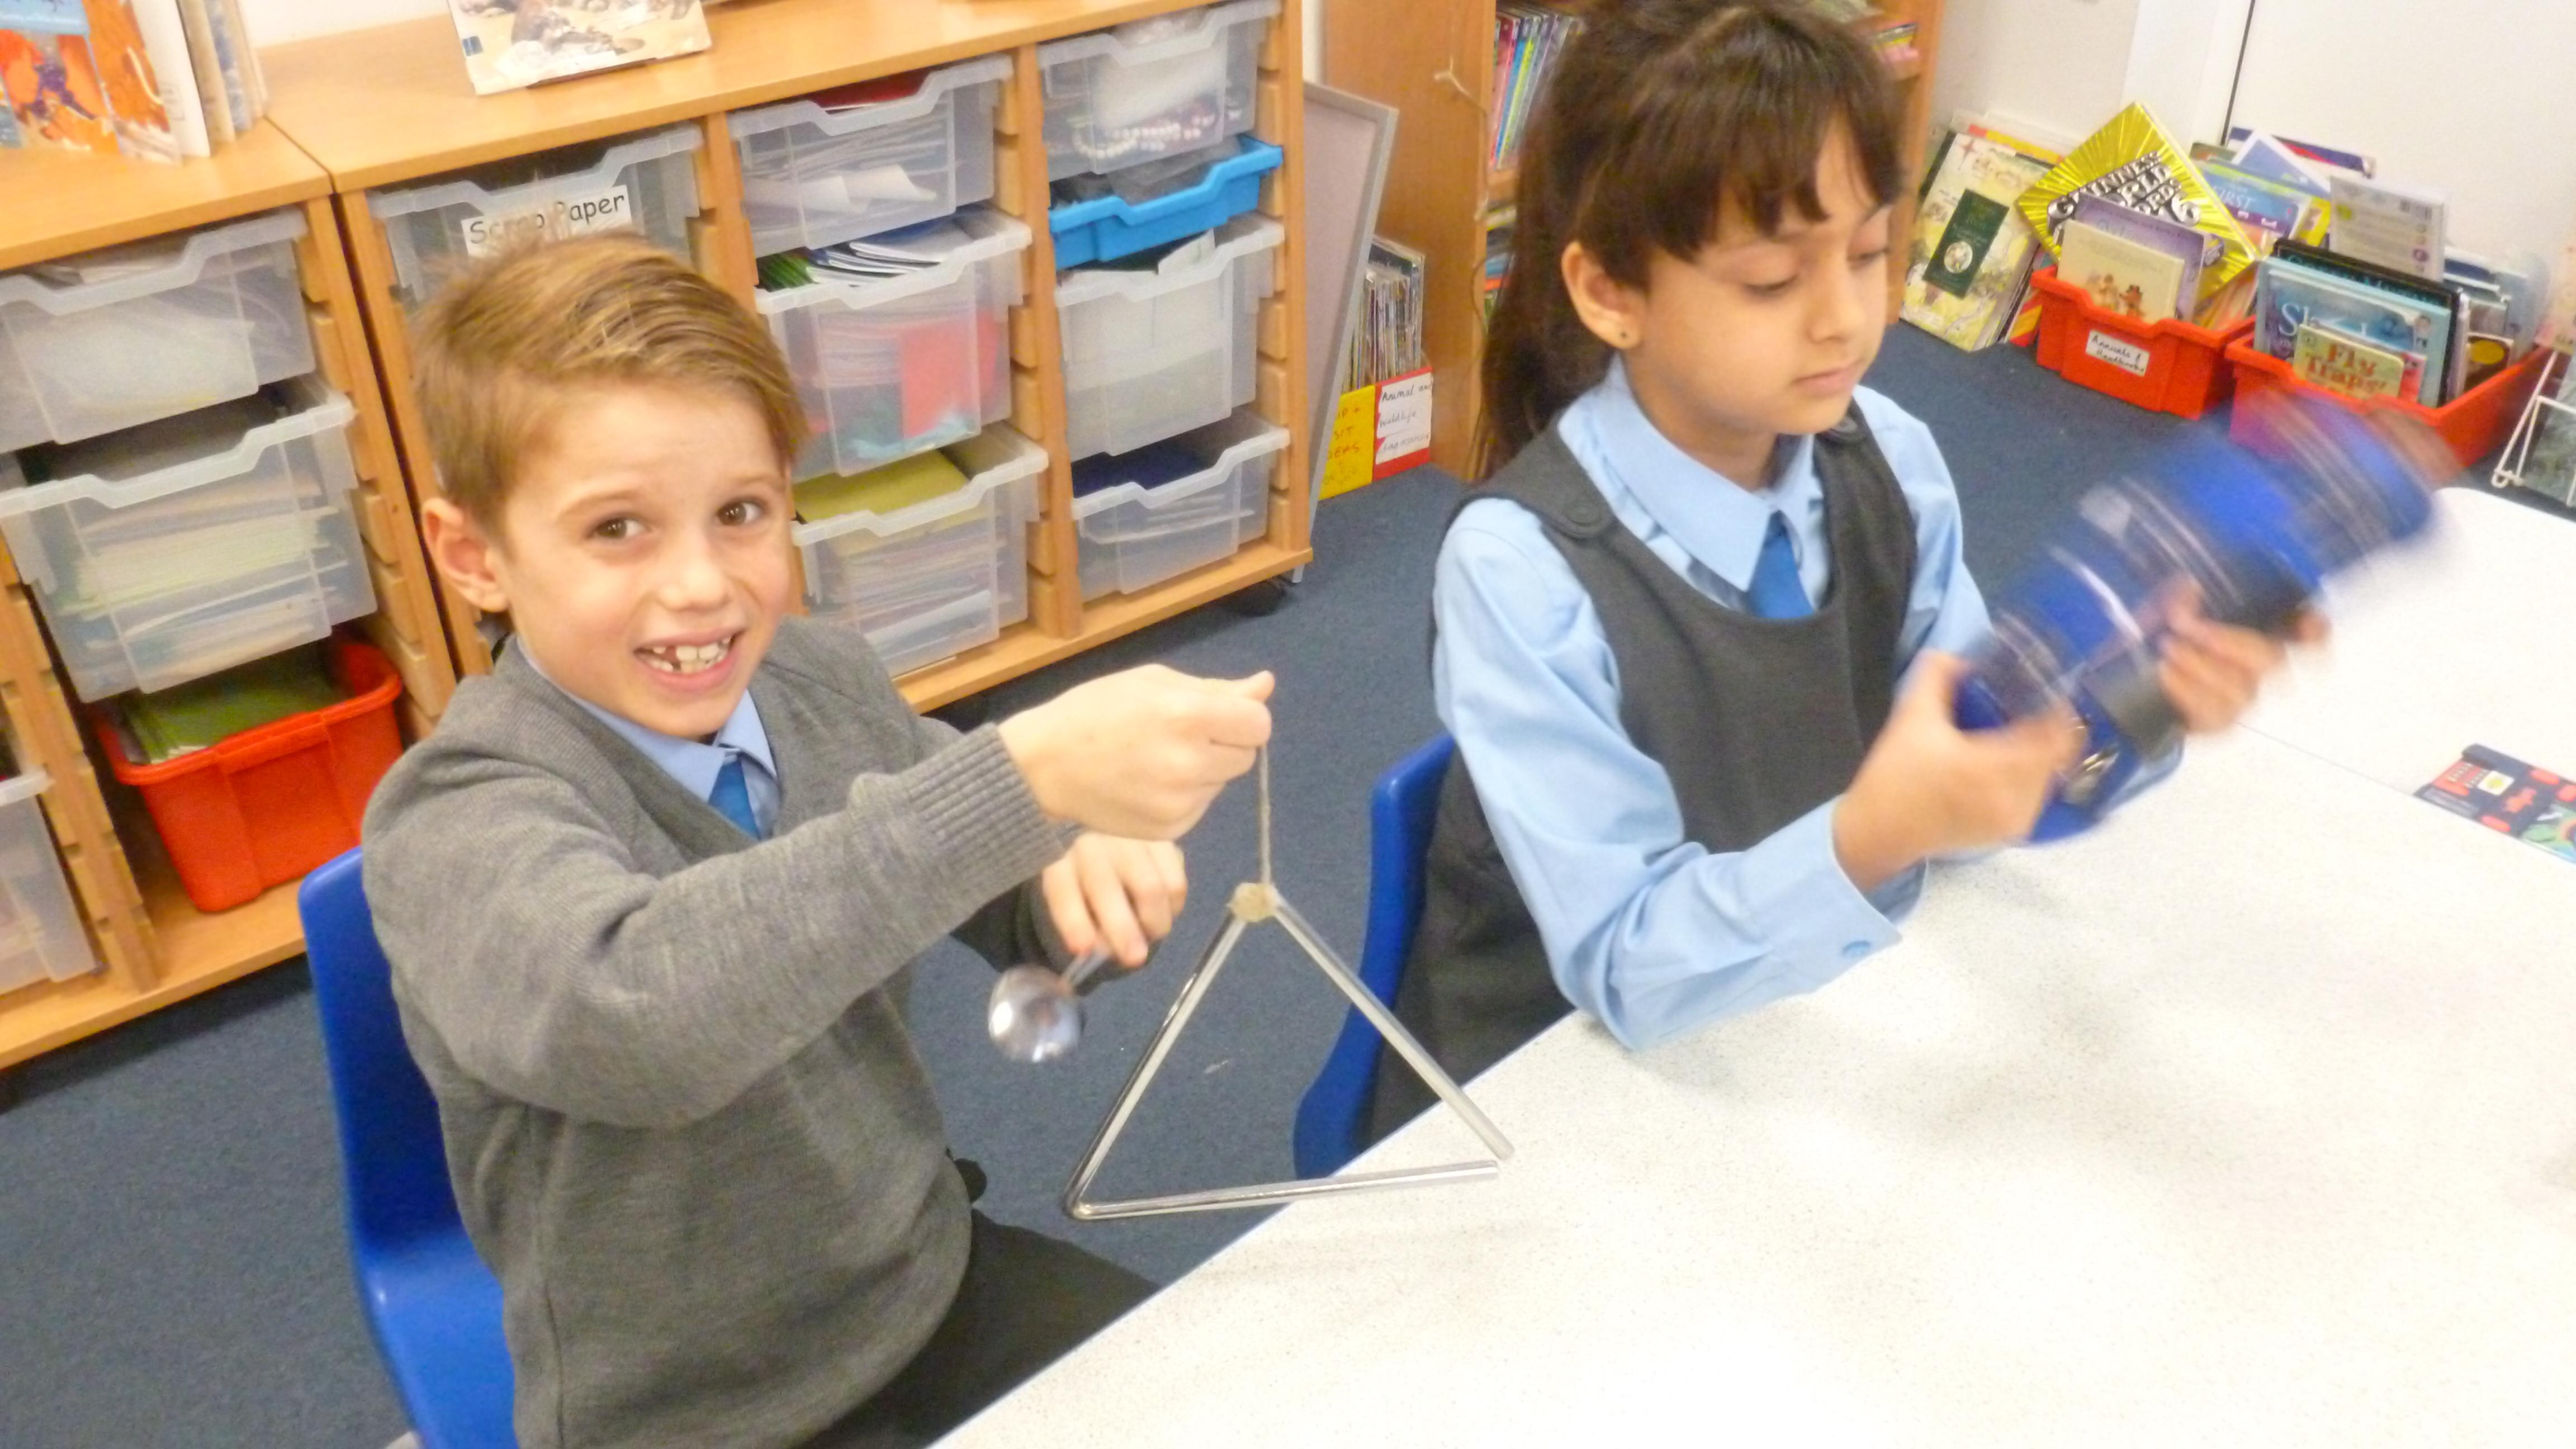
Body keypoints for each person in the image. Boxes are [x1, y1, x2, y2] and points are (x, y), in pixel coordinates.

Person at [363, 234, 1275, 1449]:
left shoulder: (821, 682)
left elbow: (998, 894)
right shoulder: (454, 818)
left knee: (1247, 1401)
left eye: (740, 513)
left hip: (924, 1286)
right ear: (475, 555)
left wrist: (1079, 874)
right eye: (618, 528)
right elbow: (643, 1020)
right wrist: (1022, 780)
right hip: (691, 1414)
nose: (701, 584)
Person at [1368, 0, 2319, 1140]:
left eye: (1869, 253)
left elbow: (1968, 769)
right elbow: (1627, 966)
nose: (1844, 320)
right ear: (1610, 292)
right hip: (1543, 1099)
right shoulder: (1519, 570)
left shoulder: (1887, 458)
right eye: (1773, 280)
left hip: (1784, 1030)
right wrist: (1874, 834)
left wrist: (2135, 696)